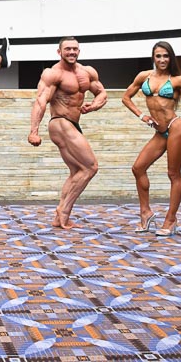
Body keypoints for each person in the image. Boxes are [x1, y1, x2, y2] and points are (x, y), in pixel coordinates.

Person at [121, 41, 181, 237]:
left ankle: (171, 219)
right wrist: (142, 116)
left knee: (173, 174)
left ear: (171, 58)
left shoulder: (179, 80)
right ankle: (146, 213)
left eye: (166, 56)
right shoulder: (144, 76)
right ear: (153, 57)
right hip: (160, 132)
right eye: (158, 56)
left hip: (176, 128)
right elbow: (126, 97)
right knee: (138, 168)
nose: (162, 59)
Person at [28, 37, 107, 229]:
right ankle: (63, 211)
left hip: (73, 123)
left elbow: (102, 93)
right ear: (59, 52)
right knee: (90, 167)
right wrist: (33, 131)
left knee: (77, 171)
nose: (72, 52)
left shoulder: (87, 71)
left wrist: (94, 106)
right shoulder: (53, 74)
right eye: (67, 49)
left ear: (79, 51)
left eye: (75, 49)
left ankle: (60, 217)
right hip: (60, 122)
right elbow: (41, 101)